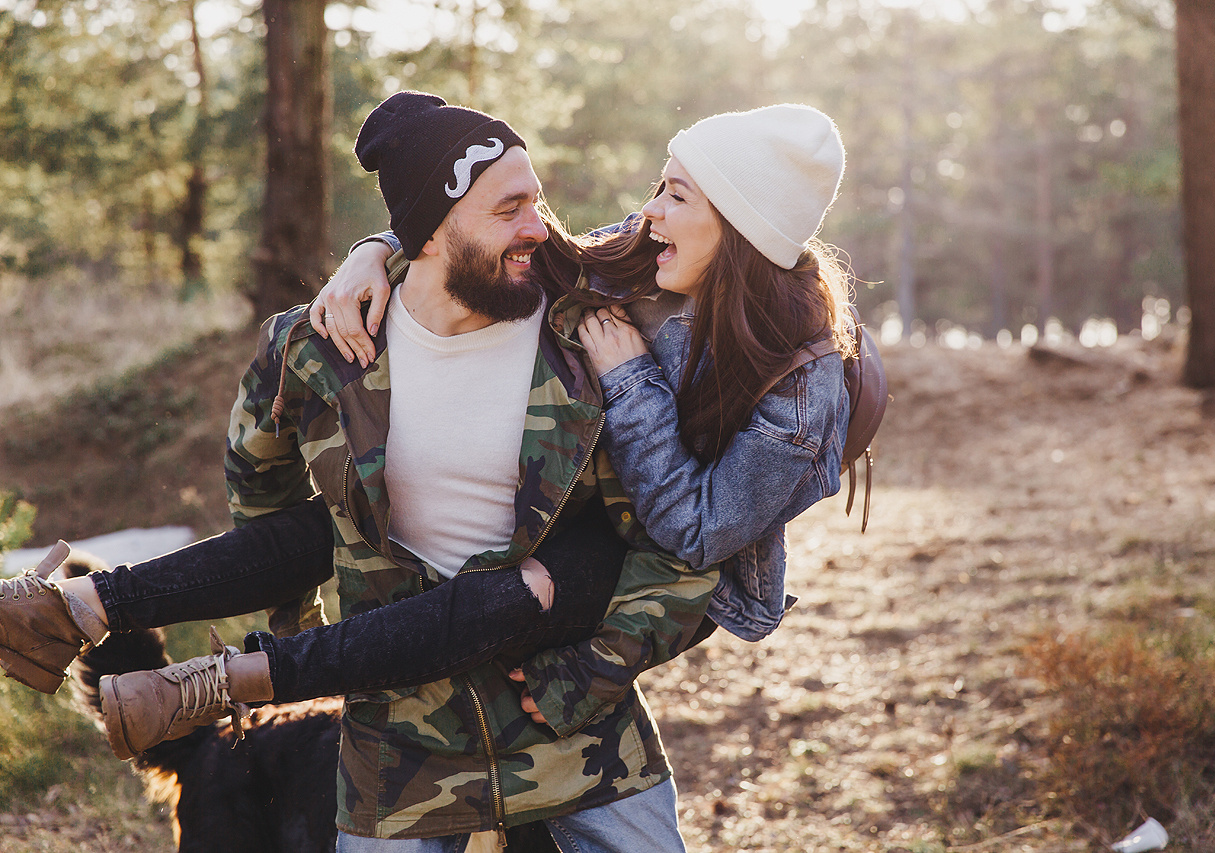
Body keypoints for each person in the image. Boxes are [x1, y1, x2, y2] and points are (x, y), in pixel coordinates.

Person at [0, 96, 856, 850]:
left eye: (541, 202)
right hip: (396, 739)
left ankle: (202, 667)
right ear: (433, 230)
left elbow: (685, 542)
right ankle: (83, 607)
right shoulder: (334, 345)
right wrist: (373, 246)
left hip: (570, 722)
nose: (543, 226)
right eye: (512, 205)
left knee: (540, 581)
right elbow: (267, 500)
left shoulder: (592, 325)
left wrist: (584, 677)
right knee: (343, 536)